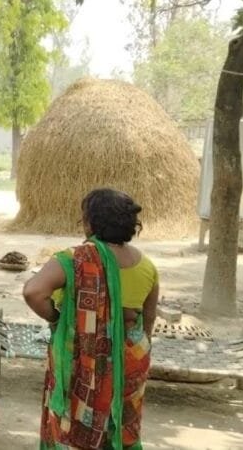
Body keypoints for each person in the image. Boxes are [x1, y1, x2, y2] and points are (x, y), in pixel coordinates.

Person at [22, 188, 159, 450]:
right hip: (131, 357)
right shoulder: (147, 266)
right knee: (121, 427)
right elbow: (148, 319)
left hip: (85, 356)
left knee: (75, 428)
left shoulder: (73, 259)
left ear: (90, 223)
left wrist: (57, 320)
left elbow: (33, 292)